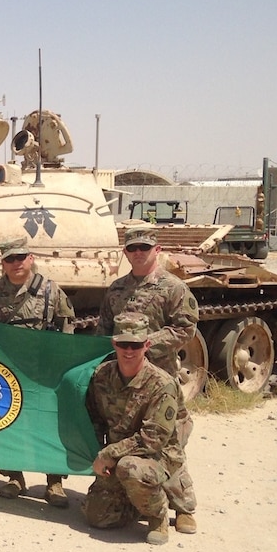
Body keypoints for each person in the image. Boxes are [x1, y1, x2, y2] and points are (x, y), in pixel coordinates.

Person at [98, 224, 198, 534]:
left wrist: (146, 342)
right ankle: (139, 498)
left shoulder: (173, 287)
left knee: (170, 442)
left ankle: (183, 507)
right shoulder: (115, 290)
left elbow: (186, 329)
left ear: (156, 250)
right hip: (123, 379)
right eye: (132, 248)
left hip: (161, 378)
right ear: (126, 253)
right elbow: (104, 331)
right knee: (127, 436)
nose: (138, 253)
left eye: (144, 248)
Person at [0, 236, 76, 507]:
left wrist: (62, 363)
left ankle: (54, 482)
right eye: (10, 259)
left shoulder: (51, 291)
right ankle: (14, 476)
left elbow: (67, 325)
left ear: (30, 258)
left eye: (21, 257)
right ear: (3, 263)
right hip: (7, 372)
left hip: (43, 370)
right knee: (8, 423)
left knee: (48, 425)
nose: (16, 263)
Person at [84, 312, 183, 545]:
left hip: (156, 456)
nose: (129, 351)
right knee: (96, 517)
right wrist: (96, 450)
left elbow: (153, 440)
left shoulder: (162, 384)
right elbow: (95, 418)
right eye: (123, 344)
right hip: (119, 454)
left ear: (147, 344)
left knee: (131, 469)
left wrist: (108, 454)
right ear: (114, 343)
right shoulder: (102, 376)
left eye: (136, 345)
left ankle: (157, 513)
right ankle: (136, 503)